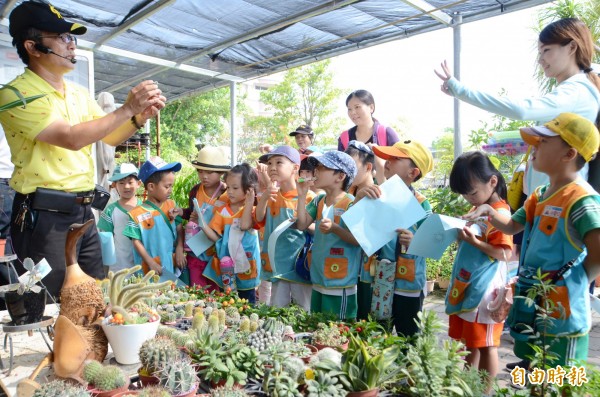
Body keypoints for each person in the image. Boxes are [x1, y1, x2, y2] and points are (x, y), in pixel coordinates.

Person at [0, 1, 165, 299]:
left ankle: (88, 347)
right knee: (51, 301)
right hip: (44, 217)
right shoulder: (15, 95)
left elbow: (111, 136)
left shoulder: (77, 94)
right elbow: (71, 138)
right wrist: (127, 107)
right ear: (33, 47)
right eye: (62, 38)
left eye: (72, 38)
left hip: (83, 210)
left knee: (93, 298)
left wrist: (139, 117)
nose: (71, 45)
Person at [465, 113, 600, 370]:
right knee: (535, 364)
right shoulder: (539, 194)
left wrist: (576, 279)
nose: (533, 148)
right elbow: (513, 225)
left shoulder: (582, 199)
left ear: (569, 154)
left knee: (561, 371)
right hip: (533, 297)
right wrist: (490, 212)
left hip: (562, 305)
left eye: (542, 143)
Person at [435, 18, 600, 196]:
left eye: (546, 50)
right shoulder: (574, 90)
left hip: (560, 200)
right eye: (539, 52)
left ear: (572, 47)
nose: (541, 60)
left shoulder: (577, 91)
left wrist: (460, 90)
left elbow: (521, 110)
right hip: (549, 198)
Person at [447, 151, 513, 393]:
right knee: (472, 342)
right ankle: (467, 387)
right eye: (464, 194)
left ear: (492, 182)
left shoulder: (499, 212)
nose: (468, 198)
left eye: (472, 192)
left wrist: (473, 242)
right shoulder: (482, 208)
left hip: (485, 290)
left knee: (487, 345)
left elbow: (505, 253)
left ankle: (484, 391)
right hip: (472, 286)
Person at [358, 140, 433, 337]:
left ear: (413, 172)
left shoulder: (422, 205)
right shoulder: (376, 195)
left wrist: (415, 241)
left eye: (395, 158)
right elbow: (354, 228)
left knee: (407, 336)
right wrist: (358, 199)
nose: (387, 162)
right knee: (373, 335)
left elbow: (431, 245)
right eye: (387, 158)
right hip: (375, 278)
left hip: (407, 284)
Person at [296, 151, 360, 320]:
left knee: (339, 332)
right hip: (318, 278)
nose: (315, 171)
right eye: (316, 167)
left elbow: (358, 241)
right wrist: (301, 195)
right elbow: (301, 224)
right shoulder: (318, 201)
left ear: (340, 176)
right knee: (318, 327)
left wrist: (335, 228)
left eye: (323, 167)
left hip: (341, 282)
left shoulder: (352, 203)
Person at [255, 146, 315, 311]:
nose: (272, 167)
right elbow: (259, 218)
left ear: (295, 168)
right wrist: (265, 197)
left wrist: (303, 222)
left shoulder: (309, 196)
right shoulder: (272, 195)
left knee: (304, 311)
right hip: (277, 266)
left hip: (299, 266)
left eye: (279, 162)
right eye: (270, 163)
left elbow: (317, 229)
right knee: (277, 310)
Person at [201, 164, 261, 303]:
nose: (230, 192)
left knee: (247, 303)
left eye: (235, 188)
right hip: (226, 269)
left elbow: (245, 225)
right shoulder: (222, 210)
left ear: (249, 190)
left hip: (246, 267)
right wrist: (203, 225)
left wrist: (250, 201)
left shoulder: (252, 210)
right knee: (227, 302)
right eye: (228, 187)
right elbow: (216, 237)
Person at [124, 157, 184, 280]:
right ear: (151, 187)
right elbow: (135, 241)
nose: (170, 190)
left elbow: (179, 229)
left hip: (170, 263)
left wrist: (179, 248)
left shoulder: (171, 205)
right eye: (167, 186)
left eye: (172, 186)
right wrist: (150, 262)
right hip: (149, 269)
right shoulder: (136, 214)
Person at [180, 146, 230, 291]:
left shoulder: (227, 192)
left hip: (217, 252)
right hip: (196, 251)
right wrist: (181, 212)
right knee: (198, 291)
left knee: (218, 293)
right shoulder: (195, 190)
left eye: (209, 172)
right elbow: (191, 212)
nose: (204, 176)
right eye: (200, 171)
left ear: (221, 172)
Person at [344, 140, 376, 320]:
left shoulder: (381, 194)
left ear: (368, 166)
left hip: (368, 274)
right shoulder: (347, 194)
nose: (347, 170)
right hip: (345, 272)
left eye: (353, 165)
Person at [97, 163, 142, 274]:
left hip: (143, 264)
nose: (126, 186)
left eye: (130, 182)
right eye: (121, 183)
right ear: (114, 185)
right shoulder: (110, 211)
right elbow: (106, 238)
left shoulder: (145, 209)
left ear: (139, 184)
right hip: (119, 266)